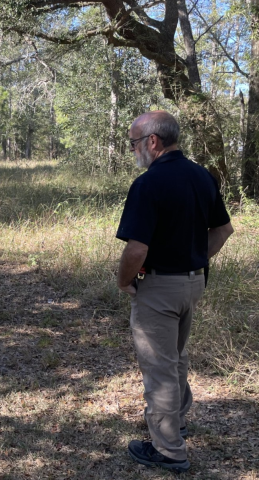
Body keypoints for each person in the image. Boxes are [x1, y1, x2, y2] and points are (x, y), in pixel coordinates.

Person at [116, 111, 233, 472]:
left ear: (153, 141)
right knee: (177, 358)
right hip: (192, 282)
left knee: (160, 367)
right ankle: (176, 421)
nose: (133, 149)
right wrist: (193, 259)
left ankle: (169, 450)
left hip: (160, 287)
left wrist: (124, 280)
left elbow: (136, 249)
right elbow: (224, 229)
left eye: (134, 142)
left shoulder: (148, 183)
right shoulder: (202, 175)